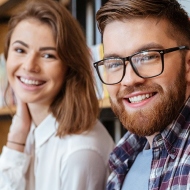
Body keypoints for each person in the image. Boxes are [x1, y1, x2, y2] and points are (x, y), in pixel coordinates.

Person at [0, 0, 115, 189]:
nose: (29, 66)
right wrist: (16, 140)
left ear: (70, 66)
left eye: (48, 55)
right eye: (20, 50)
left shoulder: (80, 151)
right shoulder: (29, 129)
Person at [93, 0, 190, 189]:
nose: (129, 79)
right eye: (114, 63)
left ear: (187, 65)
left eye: (147, 56)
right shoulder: (124, 156)